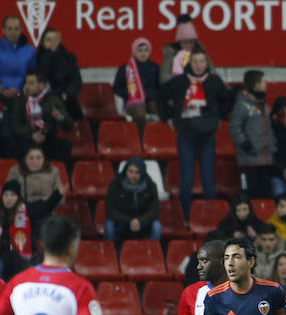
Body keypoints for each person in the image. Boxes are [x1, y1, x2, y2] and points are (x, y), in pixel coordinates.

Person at [159, 50, 227, 221]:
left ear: (206, 64)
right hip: (186, 134)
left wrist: (220, 118)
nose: (198, 65)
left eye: (202, 61)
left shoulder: (214, 81)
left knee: (208, 179)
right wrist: (167, 117)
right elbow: (160, 95)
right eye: (195, 61)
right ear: (190, 63)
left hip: (207, 134)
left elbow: (227, 100)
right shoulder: (179, 81)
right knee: (187, 178)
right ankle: (186, 217)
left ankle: (212, 218)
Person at [12, 71, 73, 167]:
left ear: (42, 85)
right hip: (27, 137)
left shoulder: (53, 100)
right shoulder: (20, 101)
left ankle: (63, 177)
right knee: (15, 144)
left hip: (48, 137)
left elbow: (69, 126)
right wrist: (31, 135)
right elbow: (16, 126)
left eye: (31, 83)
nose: (27, 86)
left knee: (64, 145)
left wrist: (60, 117)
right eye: (26, 82)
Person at [231, 70, 276, 199]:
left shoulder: (263, 104)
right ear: (256, 85)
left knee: (265, 197)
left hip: (265, 159)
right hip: (248, 161)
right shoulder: (241, 105)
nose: (266, 84)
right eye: (263, 81)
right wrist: (247, 145)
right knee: (249, 197)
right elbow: (234, 129)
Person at [5, 145, 64, 241]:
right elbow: (8, 194)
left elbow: (61, 196)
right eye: (31, 158)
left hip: (47, 211)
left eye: (38, 158)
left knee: (52, 225)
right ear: (25, 159)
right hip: (22, 211)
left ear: (44, 159)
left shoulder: (54, 171)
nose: (35, 161)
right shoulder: (15, 171)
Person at [104, 156, 161, 245]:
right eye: (130, 171)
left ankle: (152, 251)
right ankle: (113, 252)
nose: (133, 175)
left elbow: (154, 211)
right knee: (109, 225)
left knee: (157, 226)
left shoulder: (151, 186)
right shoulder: (115, 185)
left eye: (137, 172)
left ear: (142, 173)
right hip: (122, 223)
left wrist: (140, 221)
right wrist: (129, 221)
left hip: (142, 224)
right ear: (125, 171)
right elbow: (110, 211)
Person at [113, 38, 160, 135]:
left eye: (146, 50)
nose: (143, 54)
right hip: (132, 103)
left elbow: (161, 87)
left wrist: (149, 94)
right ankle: (140, 137)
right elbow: (116, 88)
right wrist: (133, 93)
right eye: (140, 51)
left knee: (156, 107)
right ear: (134, 51)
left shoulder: (155, 67)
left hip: (151, 100)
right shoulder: (126, 68)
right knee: (140, 110)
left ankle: (155, 137)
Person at [0, 180, 33, 279]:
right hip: (0, 253)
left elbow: (44, 207)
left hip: (18, 255)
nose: (9, 198)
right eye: (6, 195)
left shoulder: (25, 213)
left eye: (13, 195)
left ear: (18, 197)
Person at [36, 29, 83, 121]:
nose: (53, 43)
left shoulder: (69, 57)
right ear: (42, 43)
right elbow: (43, 76)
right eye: (49, 40)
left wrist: (68, 93)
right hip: (46, 98)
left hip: (67, 97)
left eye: (55, 39)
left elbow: (76, 80)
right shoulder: (38, 58)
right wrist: (50, 54)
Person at [0, 15, 36, 98]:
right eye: (10, 29)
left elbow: (32, 76)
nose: (13, 32)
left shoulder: (30, 50)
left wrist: (22, 90)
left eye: (16, 29)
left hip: (23, 96)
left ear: (21, 30)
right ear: (3, 30)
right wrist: (1, 90)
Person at [160, 14, 214, 85]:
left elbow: (213, 73)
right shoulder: (171, 53)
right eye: (185, 43)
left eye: (191, 42)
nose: (189, 46)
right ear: (179, 42)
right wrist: (184, 80)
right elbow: (163, 77)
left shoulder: (200, 51)